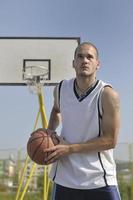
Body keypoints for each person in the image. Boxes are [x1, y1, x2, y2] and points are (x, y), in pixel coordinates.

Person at [44, 42, 121, 200]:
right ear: (74, 63)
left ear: (97, 64)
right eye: (80, 56)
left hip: (99, 179)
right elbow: (56, 110)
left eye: (89, 57)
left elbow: (110, 141)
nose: (84, 60)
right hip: (65, 178)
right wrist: (49, 133)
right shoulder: (61, 89)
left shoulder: (107, 95)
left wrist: (70, 148)